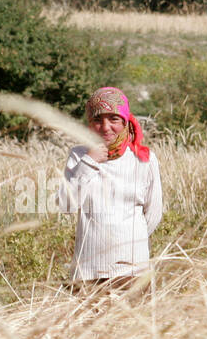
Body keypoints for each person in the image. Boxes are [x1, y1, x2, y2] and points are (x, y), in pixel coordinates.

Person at [56, 86, 163, 288]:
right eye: (97, 120)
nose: (105, 127)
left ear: (125, 121)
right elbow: (65, 205)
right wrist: (89, 162)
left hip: (133, 272)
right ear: (89, 124)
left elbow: (153, 214)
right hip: (88, 272)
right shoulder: (79, 156)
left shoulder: (144, 160)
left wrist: (128, 242)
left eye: (113, 119)